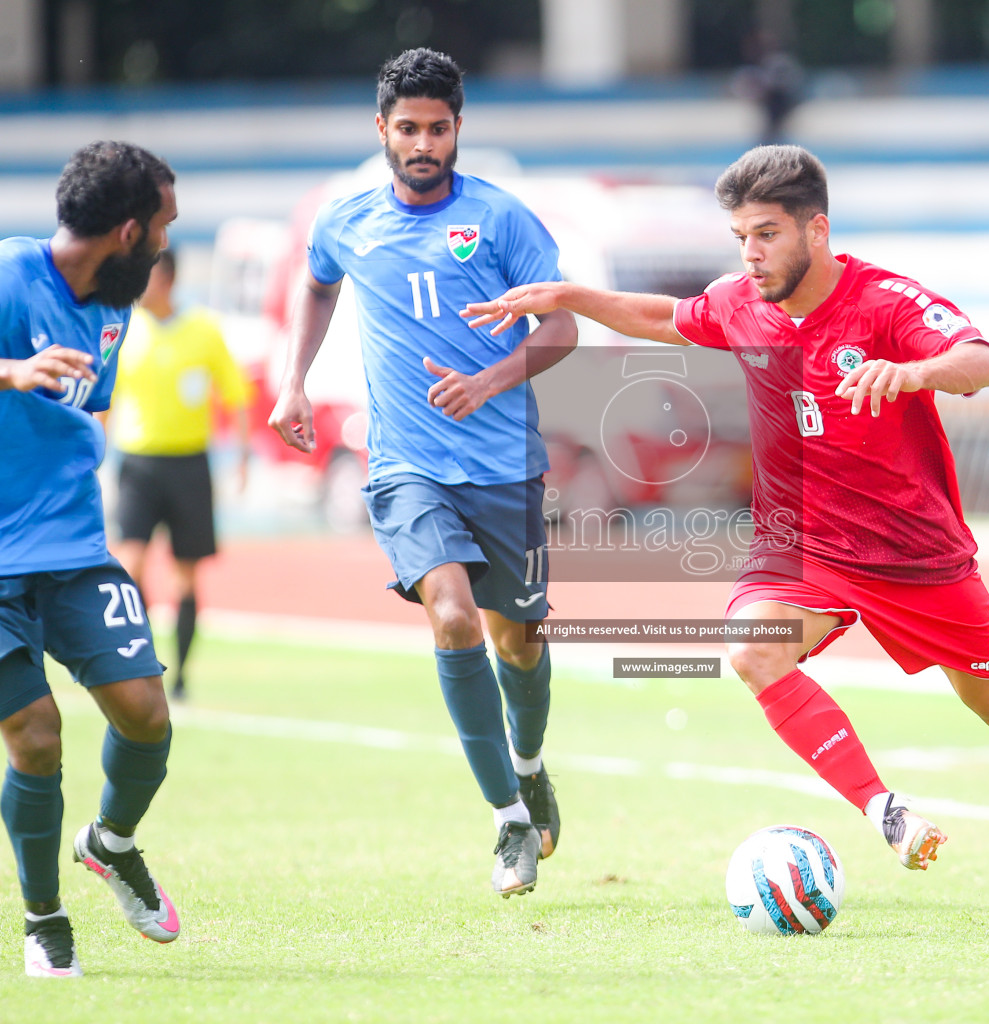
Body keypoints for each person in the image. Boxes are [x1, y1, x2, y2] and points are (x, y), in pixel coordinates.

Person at [465, 144, 989, 927]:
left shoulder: (885, 302)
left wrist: (914, 373)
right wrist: (571, 293)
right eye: (741, 235)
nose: (751, 253)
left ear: (818, 230)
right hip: (802, 545)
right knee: (751, 646)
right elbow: (660, 318)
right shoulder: (742, 301)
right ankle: (884, 810)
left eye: (767, 234)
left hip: (916, 553)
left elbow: (984, 362)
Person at [267, 49, 578, 898]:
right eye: (408, 128)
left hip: (506, 468)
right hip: (407, 467)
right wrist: (293, 377)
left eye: (438, 128)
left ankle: (530, 762)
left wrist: (491, 378)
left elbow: (562, 330)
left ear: (457, 129)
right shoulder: (348, 219)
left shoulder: (505, 220)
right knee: (450, 614)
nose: (423, 142)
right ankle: (508, 820)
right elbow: (319, 284)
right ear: (383, 131)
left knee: (522, 639)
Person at [0, 141, 183, 978]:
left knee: (146, 714)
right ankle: (43, 917)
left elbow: (83, 410)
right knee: (37, 735)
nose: (170, 246)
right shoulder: (1, 272)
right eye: (164, 228)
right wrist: (10, 370)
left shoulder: (116, 302)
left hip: (68, 548)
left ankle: (111, 842)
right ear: (129, 231)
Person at [109, 247, 253, 700]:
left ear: (167, 278)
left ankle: (182, 676)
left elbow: (236, 395)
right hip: (137, 465)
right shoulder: (125, 332)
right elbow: (104, 402)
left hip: (190, 464)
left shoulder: (203, 331)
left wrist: (243, 459)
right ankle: (144, 661)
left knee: (185, 576)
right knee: (129, 567)